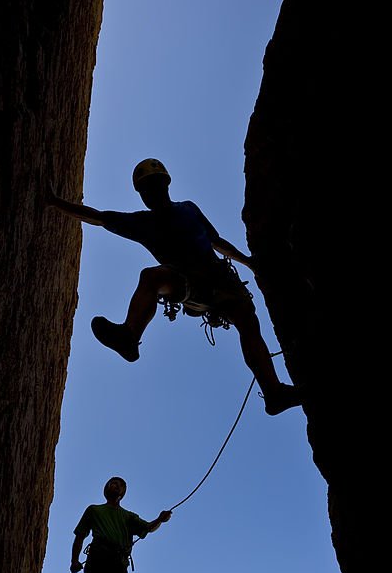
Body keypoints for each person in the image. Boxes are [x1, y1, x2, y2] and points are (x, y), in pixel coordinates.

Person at [46, 159, 303, 416]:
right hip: (196, 281)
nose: (151, 194)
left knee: (246, 324)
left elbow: (214, 240)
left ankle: (273, 392)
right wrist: (56, 202)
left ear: (161, 187)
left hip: (215, 280)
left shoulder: (177, 212)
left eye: (152, 187)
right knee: (154, 279)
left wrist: (248, 262)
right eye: (148, 189)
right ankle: (129, 336)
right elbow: (98, 217)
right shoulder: (158, 218)